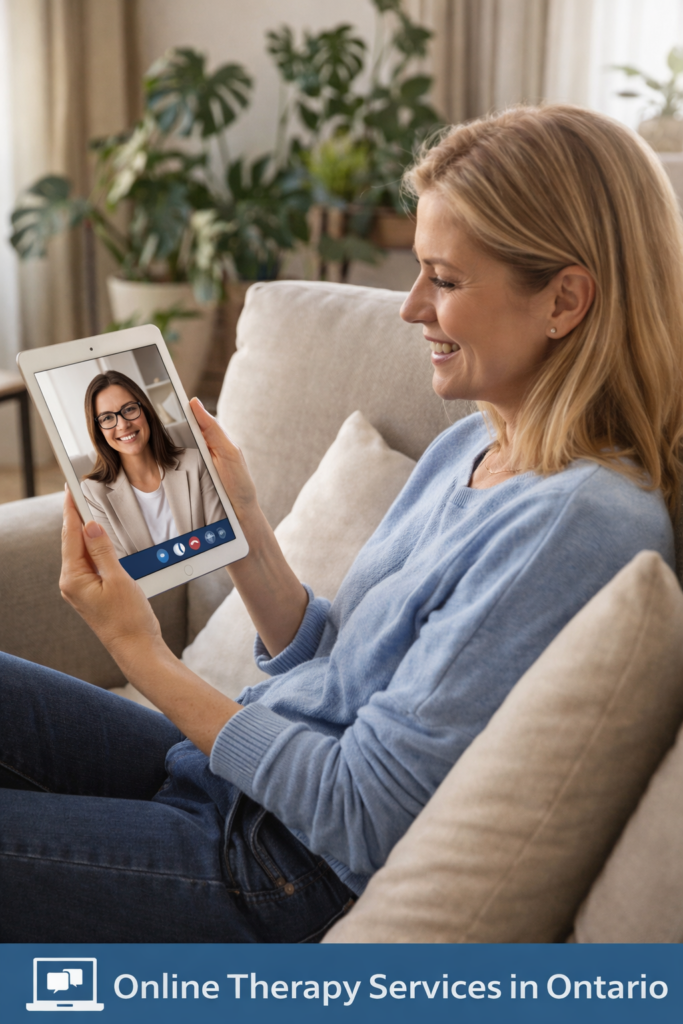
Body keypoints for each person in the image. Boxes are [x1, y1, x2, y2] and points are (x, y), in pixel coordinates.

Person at [2, 105, 682, 942]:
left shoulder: (575, 525)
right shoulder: (475, 440)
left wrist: (137, 651)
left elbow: (360, 811)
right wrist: (246, 523)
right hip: (239, 785)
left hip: (279, 871)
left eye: (446, 279)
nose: (410, 308)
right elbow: (344, 667)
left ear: (564, 301)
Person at [80, 370, 225, 557]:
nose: (123, 425)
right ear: (98, 429)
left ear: (146, 411)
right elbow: (120, 569)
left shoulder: (195, 462)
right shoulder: (93, 493)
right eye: (107, 418)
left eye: (129, 409)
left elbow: (220, 541)